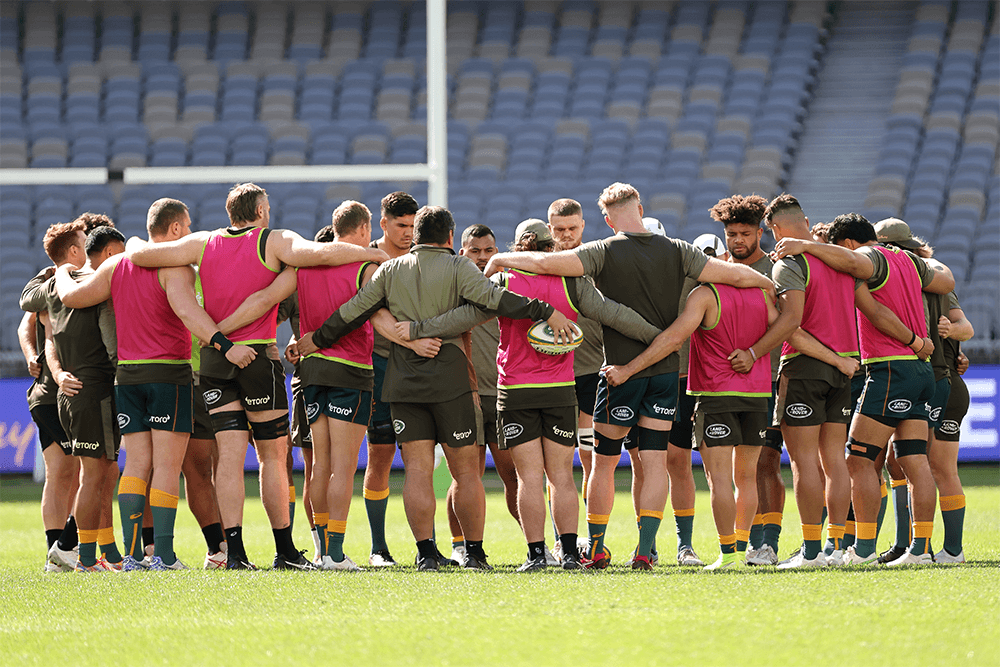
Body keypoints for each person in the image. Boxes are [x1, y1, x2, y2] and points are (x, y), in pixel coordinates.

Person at [485, 183, 774, 569]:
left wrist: (499, 259)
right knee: (655, 462)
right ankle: (645, 549)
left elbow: (544, 263)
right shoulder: (679, 250)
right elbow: (735, 276)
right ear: (639, 206)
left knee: (603, 463)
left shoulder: (602, 251)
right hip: (666, 373)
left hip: (621, 372)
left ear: (606, 219)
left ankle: (599, 547)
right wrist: (768, 282)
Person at [124, 182, 387, 570]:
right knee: (271, 456)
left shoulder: (203, 241)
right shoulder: (274, 240)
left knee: (226, 459)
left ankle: (235, 553)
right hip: (257, 358)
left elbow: (145, 254)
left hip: (215, 361)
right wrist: (369, 252)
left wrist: (131, 243)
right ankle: (284, 549)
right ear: (262, 211)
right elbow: (320, 253)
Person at [298, 205, 574, 571]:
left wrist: (313, 341)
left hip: (403, 382)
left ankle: (426, 552)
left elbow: (354, 310)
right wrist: (543, 310)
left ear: (415, 237)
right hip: (451, 381)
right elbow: (494, 300)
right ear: (449, 237)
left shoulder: (390, 269)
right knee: (465, 473)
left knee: (416, 470)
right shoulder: (459, 267)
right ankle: (473, 553)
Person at [405, 219, 661, 570]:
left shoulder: (505, 279)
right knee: (561, 476)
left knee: (528, 478)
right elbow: (613, 314)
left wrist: (418, 330)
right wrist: (658, 337)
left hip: (516, 390)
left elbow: (463, 317)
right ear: (550, 248)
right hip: (559, 390)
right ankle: (570, 552)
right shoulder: (572, 281)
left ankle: (536, 554)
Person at [54, 198, 256, 571]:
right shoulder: (176, 267)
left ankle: (132, 557)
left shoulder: (116, 265)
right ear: (176, 228)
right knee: (166, 467)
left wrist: (65, 270)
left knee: (136, 466)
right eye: (189, 224)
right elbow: (187, 311)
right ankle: (162, 554)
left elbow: (71, 297)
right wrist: (224, 345)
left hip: (127, 377)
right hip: (168, 373)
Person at [774, 213, 954, 566]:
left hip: (892, 368)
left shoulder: (871, 258)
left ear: (850, 244)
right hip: (920, 373)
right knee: (914, 459)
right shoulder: (908, 260)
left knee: (857, 459)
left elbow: (876, 311)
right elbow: (944, 281)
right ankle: (919, 550)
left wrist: (915, 340)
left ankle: (865, 550)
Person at [604, 270, 778, 570]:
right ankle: (742, 546)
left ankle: (729, 555)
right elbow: (788, 327)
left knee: (719, 479)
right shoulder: (762, 294)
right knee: (746, 478)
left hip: (716, 395)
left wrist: (630, 368)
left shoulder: (704, 295)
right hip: (758, 394)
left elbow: (674, 338)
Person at [752, 195, 862, 568]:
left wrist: (753, 352)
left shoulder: (790, 263)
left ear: (775, 231)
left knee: (804, 463)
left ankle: (812, 552)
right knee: (835, 461)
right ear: (805, 221)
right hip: (843, 368)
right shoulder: (840, 262)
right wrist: (841, 361)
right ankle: (837, 547)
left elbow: (792, 325)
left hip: (804, 369)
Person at [21, 222, 124, 572]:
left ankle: (85, 554)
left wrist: (58, 370)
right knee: (89, 476)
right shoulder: (81, 286)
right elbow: (108, 342)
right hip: (85, 390)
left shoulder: (54, 287)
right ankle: (68, 550)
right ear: (75, 252)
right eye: (84, 243)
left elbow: (45, 332)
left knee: (94, 473)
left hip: (70, 389)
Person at [871, 219, 973, 564]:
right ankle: (912, 544)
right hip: (935, 379)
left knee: (929, 465)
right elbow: (963, 328)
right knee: (902, 460)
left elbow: (965, 328)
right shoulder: (927, 279)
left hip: (936, 380)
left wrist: (950, 331)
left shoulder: (922, 282)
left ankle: (937, 548)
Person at [451, 223, 522, 564]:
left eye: (488, 251)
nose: (482, 258)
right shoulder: (453, 287)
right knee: (467, 474)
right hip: (465, 394)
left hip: (503, 392)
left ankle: (535, 543)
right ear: (462, 253)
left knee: (513, 474)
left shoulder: (508, 286)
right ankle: (459, 545)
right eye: (475, 251)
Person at [364, 191, 419, 567]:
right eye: (401, 225)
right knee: (380, 454)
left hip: (419, 367)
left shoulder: (421, 259)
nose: (408, 233)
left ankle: (432, 545)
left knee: (422, 457)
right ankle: (378, 547)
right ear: (383, 224)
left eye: (413, 226)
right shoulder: (365, 257)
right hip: (380, 366)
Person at [18, 306, 80, 572]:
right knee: (84, 471)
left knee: (64, 473)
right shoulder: (48, 281)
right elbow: (25, 325)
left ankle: (60, 553)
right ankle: (63, 547)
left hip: (59, 393)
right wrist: (31, 355)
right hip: (55, 394)